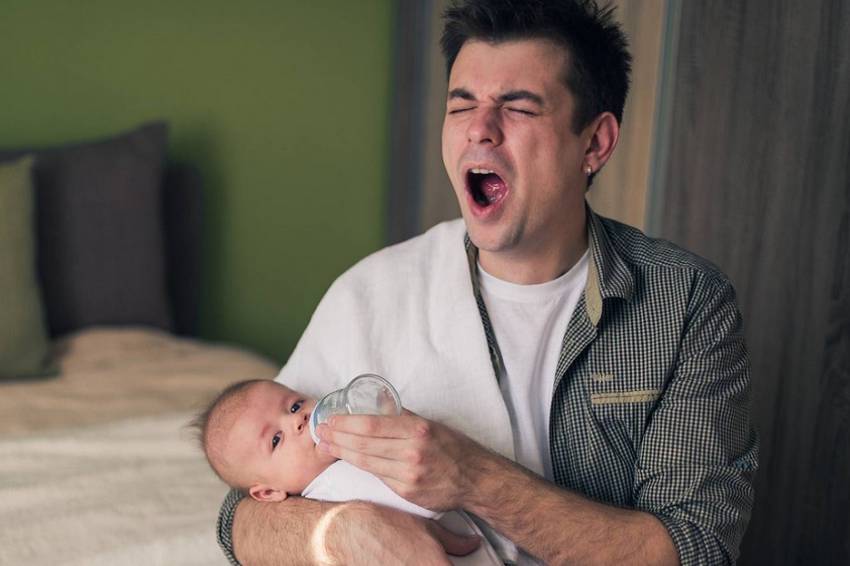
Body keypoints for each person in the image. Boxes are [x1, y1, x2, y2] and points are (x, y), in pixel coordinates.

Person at [217, 1, 758, 564]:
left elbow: (695, 547)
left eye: (518, 108)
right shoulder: (372, 293)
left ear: (595, 144)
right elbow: (243, 509)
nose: (479, 128)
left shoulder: (684, 303)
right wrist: (340, 532)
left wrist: (473, 477)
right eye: (461, 105)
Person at [194, 379, 503, 564]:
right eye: (276, 439)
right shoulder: (330, 490)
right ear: (269, 492)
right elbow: (430, 489)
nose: (297, 420)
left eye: (294, 405)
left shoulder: (343, 461)